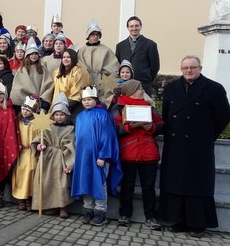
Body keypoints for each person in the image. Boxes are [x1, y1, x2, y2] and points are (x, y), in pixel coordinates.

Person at [159, 55, 230, 237]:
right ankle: (178, 220)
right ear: (181, 70)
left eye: (193, 67)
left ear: (200, 68)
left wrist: (207, 135)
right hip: (176, 145)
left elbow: (223, 116)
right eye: (185, 68)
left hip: (199, 146)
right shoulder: (171, 88)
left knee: (197, 184)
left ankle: (198, 224)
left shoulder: (213, 89)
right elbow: (166, 114)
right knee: (176, 182)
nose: (189, 70)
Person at [113, 79, 163, 230]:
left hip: (148, 153)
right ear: (131, 91)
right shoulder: (119, 107)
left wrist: (152, 127)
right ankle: (125, 215)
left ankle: (151, 217)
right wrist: (129, 127)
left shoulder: (149, 106)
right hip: (129, 152)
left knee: (149, 187)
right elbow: (114, 130)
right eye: (139, 88)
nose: (142, 90)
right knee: (127, 186)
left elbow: (162, 125)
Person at [71, 86, 122, 227]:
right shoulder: (80, 117)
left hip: (98, 157)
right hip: (83, 156)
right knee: (85, 180)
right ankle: (88, 208)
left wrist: (103, 156)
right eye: (84, 100)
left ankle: (100, 212)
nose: (86, 102)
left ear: (95, 100)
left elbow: (107, 136)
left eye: (89, 99)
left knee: (99, 182)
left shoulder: (103, 115)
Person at [32, 92, 75, 218]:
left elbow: (70, 146)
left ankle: (63, 207)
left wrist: (69, 164)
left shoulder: (70, 129)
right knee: (47, 182)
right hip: (47, 159)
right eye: (56, 114)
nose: (59, 117)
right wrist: (40, 145)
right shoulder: (48, 127)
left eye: (62, 114)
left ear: (66, 115)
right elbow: (40, 138)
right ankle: (49, 205)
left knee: (61, 184)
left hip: (61, 159)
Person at [77, 20, 120, 107]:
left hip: (102, 86)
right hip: (86, 85)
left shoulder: (106, 50)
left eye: (97, 34)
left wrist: (105, 82)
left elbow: (114, 69)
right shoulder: (81, 51)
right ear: (88, 36)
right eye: (93, 34)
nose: (95, 37)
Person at [115, 16, 160, 95]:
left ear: (140, 26)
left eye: (136, 26)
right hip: (125, 87)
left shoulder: (150, 45)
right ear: (128, 28)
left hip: (143, 86)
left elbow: (155, 67)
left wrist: (147, 79)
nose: (134, 28)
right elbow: (117, 65)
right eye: (131, 26)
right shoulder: (120, 46)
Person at [11, 95, 41, 211]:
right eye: (23, 109)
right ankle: (21, 199)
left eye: (28, 110)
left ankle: (29, 198)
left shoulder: (36, 124)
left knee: (31, 172)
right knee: (19, 174)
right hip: (21, 152)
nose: (24, 112)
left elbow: (40, 136)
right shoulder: (18, 122)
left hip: (32, 152)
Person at [10, 38, 54, 112]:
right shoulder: (22, 69)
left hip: (39, 102)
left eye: (36, 54)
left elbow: (48, 84)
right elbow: (18, 86)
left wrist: (43, 99)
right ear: (28, 55)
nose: (34, 56)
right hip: (26, 103)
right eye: (32, 54)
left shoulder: (42, 68)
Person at [52, 49, 91, 115]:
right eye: (64, 57)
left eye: (68, 57)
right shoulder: (57, 72)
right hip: (56, 107)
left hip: (73, 107)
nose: (66, 59)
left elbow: (77, 94)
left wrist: (63, 107)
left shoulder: (79, 72)